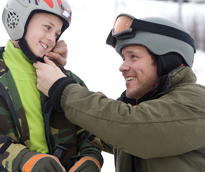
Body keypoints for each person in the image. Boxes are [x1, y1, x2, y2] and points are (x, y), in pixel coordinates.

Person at [34, 13, 205, 172]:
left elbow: (131, 127)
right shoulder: (141, 109)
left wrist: (62, 88)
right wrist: (58, 73)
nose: (122, 67)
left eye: (133, 57)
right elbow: (98, 125)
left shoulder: (196, 102)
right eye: (124, 58)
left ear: (166, 61)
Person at [0, 0, 103, 172]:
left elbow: (87, 131)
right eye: (47, 27)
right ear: (18, 20)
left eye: (57, 33)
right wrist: (25, 160)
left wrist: (91, 159)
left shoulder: (67, 82)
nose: (52, 38)